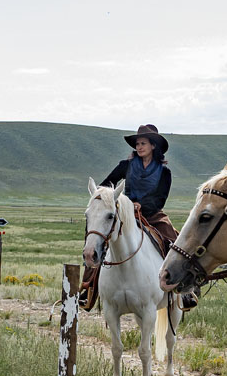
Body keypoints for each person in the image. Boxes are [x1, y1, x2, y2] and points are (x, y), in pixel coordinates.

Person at [80, 124, 199, 310]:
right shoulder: (125, 166)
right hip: (125, 214)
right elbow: (104, 187)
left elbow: (160, 198)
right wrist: (118, 202)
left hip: (152, 214)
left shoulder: (164, 172)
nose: (139, 147)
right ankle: (87, 289)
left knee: (173, 239)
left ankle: (184, 291)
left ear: (153, 146)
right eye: (137, 143)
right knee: (97, 238)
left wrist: (142, 205)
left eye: (143, 143)